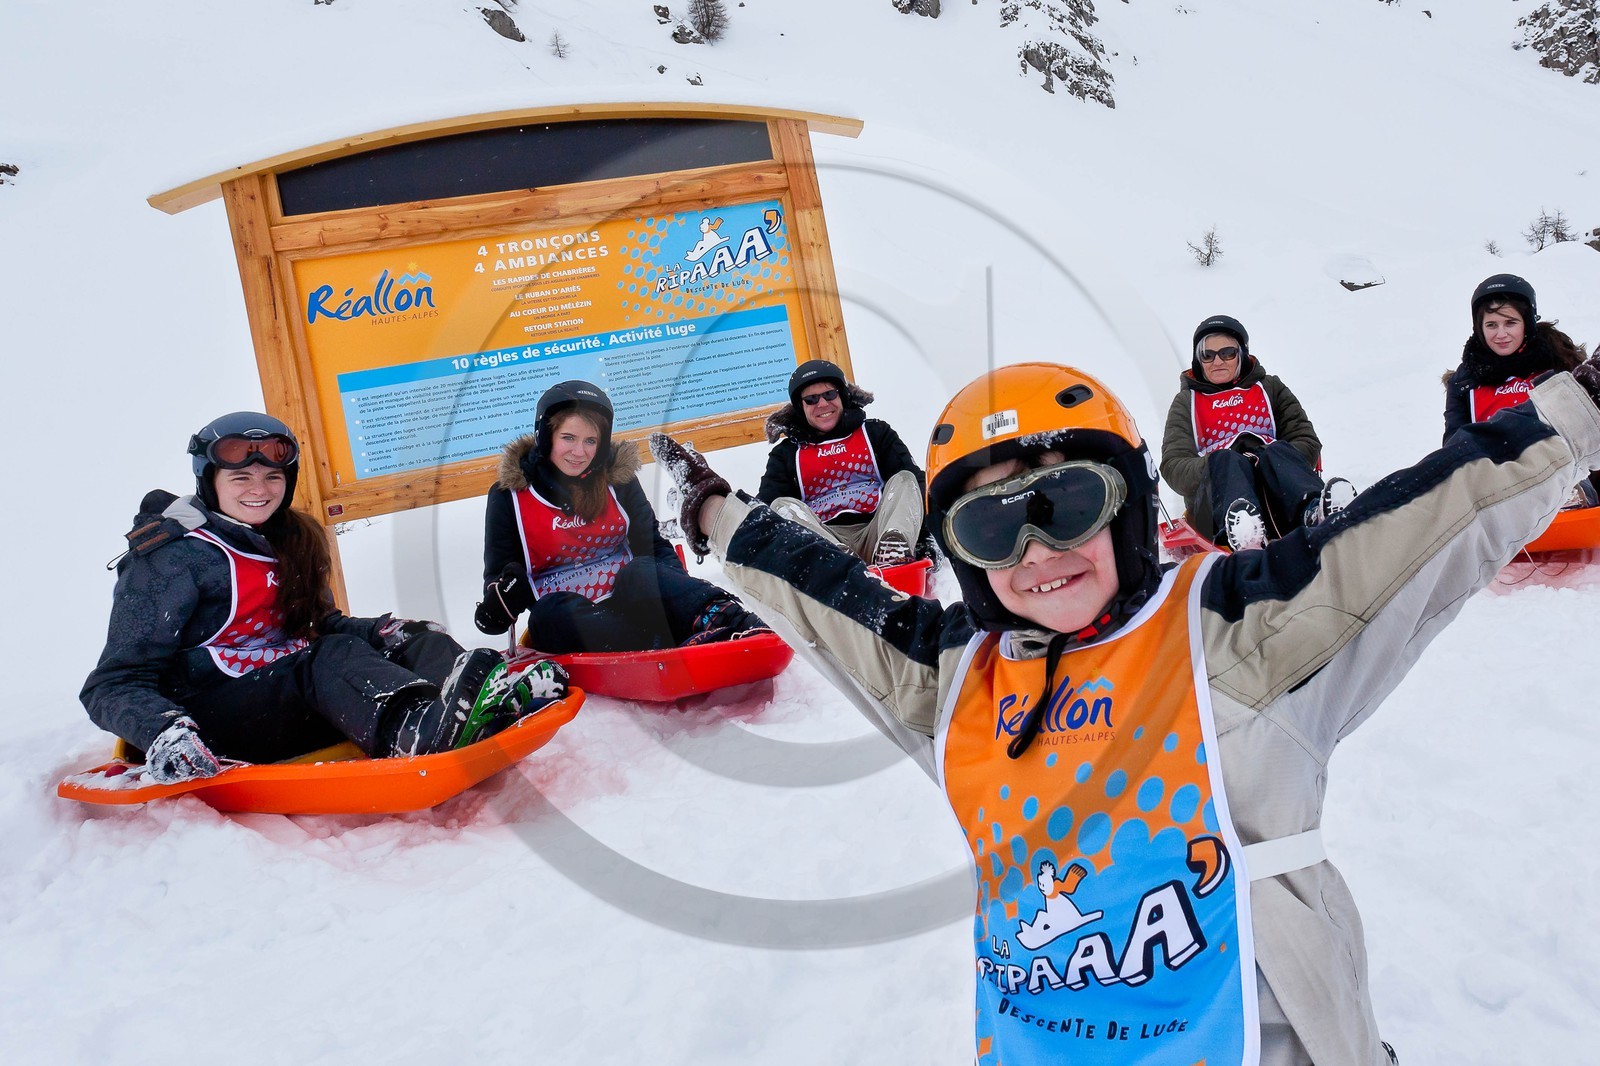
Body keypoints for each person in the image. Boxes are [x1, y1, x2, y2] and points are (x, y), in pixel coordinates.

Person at [651, 354, 1600, 1065]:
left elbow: (1435, 510)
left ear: (1130, 508)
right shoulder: (953, 685)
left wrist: (1582, 405)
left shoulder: (1243, 633)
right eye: (990, 525)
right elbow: (827, 599)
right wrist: (712, 515)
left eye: (1068, 500)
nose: (1035, 549)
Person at [80, 413, 565, 784]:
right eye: (240, 479)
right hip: (214, 718)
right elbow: (113, 682)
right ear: (210, 482)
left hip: (294, 694)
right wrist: (164, 732)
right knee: (328, 658)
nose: (260, 490)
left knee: (416, 638)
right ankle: (416, 729)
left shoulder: (292, 539)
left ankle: (486, 705)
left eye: (272, 478)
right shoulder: (170, 557)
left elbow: (318, 624)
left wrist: (385, 632)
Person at [474, 380, 766, 653]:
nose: (579, 452)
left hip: (636, 600)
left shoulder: (617, 480)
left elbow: (653, 545)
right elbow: (499, 575)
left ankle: (730, 620)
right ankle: (654, 644)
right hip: (573, 619)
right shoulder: (509, 496)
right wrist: (500, 600)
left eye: (590, 441)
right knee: (547, 613)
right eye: (568, 438)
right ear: (545, 436)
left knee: (640, 571)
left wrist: (677, 592)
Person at [1160, 314, 1355, 551]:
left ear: (1241, 353)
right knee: (1226, 459)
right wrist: (1217, 464)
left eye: (1227, 353)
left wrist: (1263, 459)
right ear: (1198, 360)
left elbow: (1307, 441)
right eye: (1207, 355)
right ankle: (1243, 531)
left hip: (1281, 495)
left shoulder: (1270, 388)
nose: (1217, 361)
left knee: (1276, 452)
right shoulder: (1186, 402)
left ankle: (1313, 512)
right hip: (1215, 510)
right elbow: (1174, 466)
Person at [1443, 273, 1597, 507]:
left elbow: (1589, 428)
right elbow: (1454, 448)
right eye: (1491, 325)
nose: (1501, 334)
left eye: (1510, 323)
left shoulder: (1558, 365)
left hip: (1561, 476)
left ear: (1527, 322)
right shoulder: (1464, 383)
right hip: (1493, 486)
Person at [757, 359, 930, 567]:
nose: (822, 404)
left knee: (905, 479)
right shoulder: (786, 453)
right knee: (781, 506)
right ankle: (837, 561)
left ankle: (894, 549)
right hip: (825, 538)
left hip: (877, 530)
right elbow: (767, 508)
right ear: (801, 407)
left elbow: (915, 487)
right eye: (811, 399)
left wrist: (926, 537)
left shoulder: (875, 433)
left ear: (842, 396)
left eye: (829, 394)